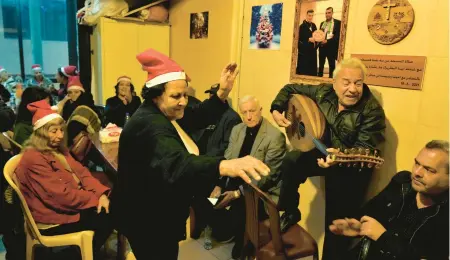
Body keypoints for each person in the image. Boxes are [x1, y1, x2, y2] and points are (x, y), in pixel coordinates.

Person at [111, 48, 270, 259]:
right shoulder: (150, 124)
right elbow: (179, 163)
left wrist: (221, 92)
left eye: (185, 94)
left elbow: (195, 116)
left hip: (150, 212)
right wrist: (225, 165)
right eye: (176, 96)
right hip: (147, 220)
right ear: (156, 95)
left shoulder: (161, 110)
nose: (184, 101)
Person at [271, 57, 386, 260]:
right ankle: (290, 210)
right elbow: (290, 89)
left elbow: (365, 148)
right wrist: (276, 109)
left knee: (335, 227)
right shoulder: (324, 92)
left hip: (351, 167)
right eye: (346, 82)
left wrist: (338, 158)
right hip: (324, 151)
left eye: (358, 83)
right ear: (334, 83)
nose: (352, 89)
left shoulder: (372, 111)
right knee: (291, 160)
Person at [14, 99, 113, 257]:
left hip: (68, 204)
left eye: (61, 130)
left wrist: (101, 193)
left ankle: (82, 252)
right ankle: (76, 255)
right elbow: (62, 196)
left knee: (113, 204)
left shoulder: (56, 149)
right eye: (54, 131)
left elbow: (83, 173)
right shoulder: (34, 158)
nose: (60, 135)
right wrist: (96, 199)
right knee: (111, 213)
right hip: (52, 218)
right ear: (41, 133)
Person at [330, 140, 449, 260]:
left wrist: (383, 238)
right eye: (417, 163)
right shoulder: (402, 183)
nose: (417, 173)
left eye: (429, 170)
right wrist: (359, 227)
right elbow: (371, 211)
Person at [214, 95, 287, 259]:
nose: (248, 116)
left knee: (240, 207)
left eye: (252, 111)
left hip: (260, 191)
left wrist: (236, 193)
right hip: (237, 179)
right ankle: (224, 230)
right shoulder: (237, 129)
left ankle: (243, 244)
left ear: (260, 110)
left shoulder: (275, 137)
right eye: (244, 112)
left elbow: (266, 177)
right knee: (207, 194)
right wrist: (219, 184)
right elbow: (228, 157)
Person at [55, 76, 101, 147]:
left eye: (76, 92)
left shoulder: (85, 106)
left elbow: (72, 131)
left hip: (89, 143)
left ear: (82, 93)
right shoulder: (67, 106)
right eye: (70, 92)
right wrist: (63, 101)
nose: (73, 95)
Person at [318, 7, 341, 78]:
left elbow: (337, 37)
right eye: (326, 13)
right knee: (321, 65)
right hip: (322, 47)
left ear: (332, 13)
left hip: (331, 48)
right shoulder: (322, 23)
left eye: (329, 13)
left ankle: (331, 83)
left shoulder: (337, 23)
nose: (327, 14)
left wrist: (327, 41)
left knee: (332, 66)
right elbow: (319, 34)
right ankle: (319, 81)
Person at [296, 9, 318, 76]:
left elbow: (317, 35)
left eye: (312, 16)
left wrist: (317, 39)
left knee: (312, 71)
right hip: (304, 52)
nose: (310, 17)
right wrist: (308, 39)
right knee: (304, 71)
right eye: (309, 15)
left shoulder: (314, 25)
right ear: (306, 15)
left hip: (312, 51)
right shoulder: (301, 27)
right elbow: (298, 39)